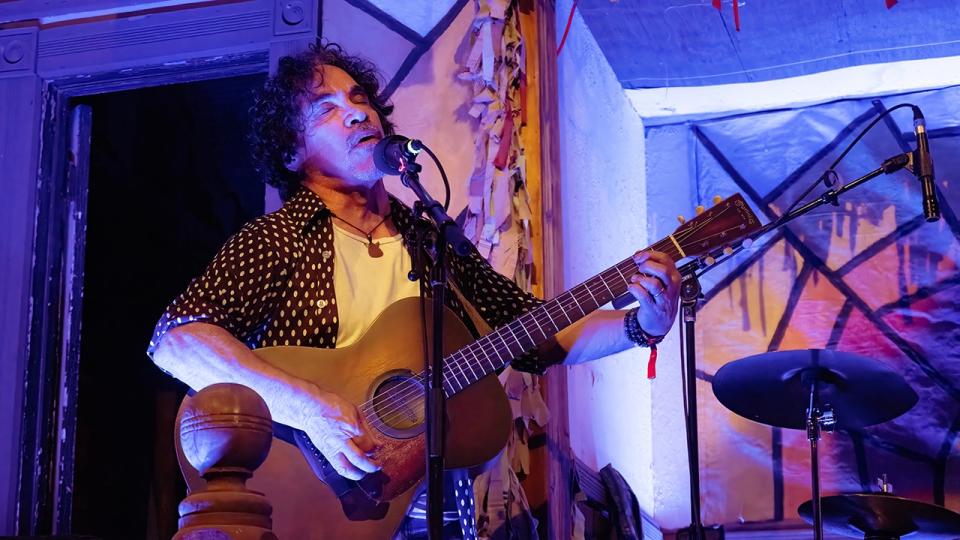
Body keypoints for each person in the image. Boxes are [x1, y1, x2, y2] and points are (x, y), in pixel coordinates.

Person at [148, 41, 681, 539]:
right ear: (293, 152)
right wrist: (310, 409)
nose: (358, 112)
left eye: (360, 99)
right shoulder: (277, 239)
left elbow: (537, 331)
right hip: (308, 497)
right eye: (326, 108)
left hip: (434, 504)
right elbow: (177, 341)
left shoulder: (430, 240)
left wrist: (641, 324)